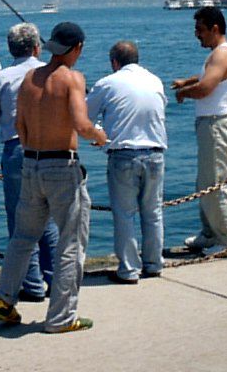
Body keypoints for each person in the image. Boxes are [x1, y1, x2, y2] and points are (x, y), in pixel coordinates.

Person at [0, 22, 108, 333]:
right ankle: (61, 318)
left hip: (31, 164)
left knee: (23, 237)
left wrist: (34, 153)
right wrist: (99, 136)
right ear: (77, 48)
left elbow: (20, 125)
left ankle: (4, 301)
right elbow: (82, 124)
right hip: (62, 168)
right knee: (71, 242)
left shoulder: (30, 78)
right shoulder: (72, 79)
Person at [0, 22, 58, 302]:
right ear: (37, 46)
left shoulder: (1, 78)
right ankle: (56, 280)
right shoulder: (54, 74)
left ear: (10, 48)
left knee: (20, 220)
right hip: (52, 150)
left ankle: (32, 285)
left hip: (16, 151)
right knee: (48, 219)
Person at [87, 40, 168, 283]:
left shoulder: (107, 83)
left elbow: (85, 116)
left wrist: (100, 132)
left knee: (124, 215)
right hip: (155, 153)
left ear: (114, 62)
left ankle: (129, 270)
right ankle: (154, 264)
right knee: (153, 213)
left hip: (123, 155)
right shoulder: (155, 80)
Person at [171, 6, 227, 257]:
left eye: (200, 30)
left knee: (214, 185)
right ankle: (210, 233)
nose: (196, 35)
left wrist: (184, 93)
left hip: (216, 125)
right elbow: (207, 77)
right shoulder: (219, 55)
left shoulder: (222, 55)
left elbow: (207, 88)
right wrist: (188, 81)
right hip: (212, 124)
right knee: (205, 182)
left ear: (215, 28)